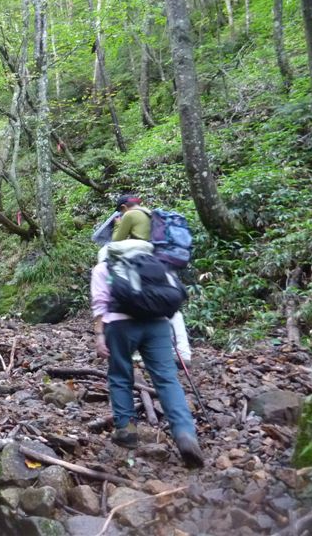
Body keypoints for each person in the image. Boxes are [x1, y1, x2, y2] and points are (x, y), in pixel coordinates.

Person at [90, 241, 204, 468]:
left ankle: (127, 430)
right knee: (167, 379)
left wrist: (99, 335)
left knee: (120, 375)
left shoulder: (105, 267)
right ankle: (185, 433)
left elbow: (100, 302)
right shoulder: (155, 264)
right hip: (158, 325)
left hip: (120, 325)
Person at [112, 194, 192, 368]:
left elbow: (116, 241)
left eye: (120, 211)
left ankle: (140, 353)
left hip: (144, 265)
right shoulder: (151, 214)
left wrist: (118, 224)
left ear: (124, 207)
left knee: (142, 302)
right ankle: (183, 352)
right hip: (163, 262)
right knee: (169, 304)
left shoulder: (130, 214)